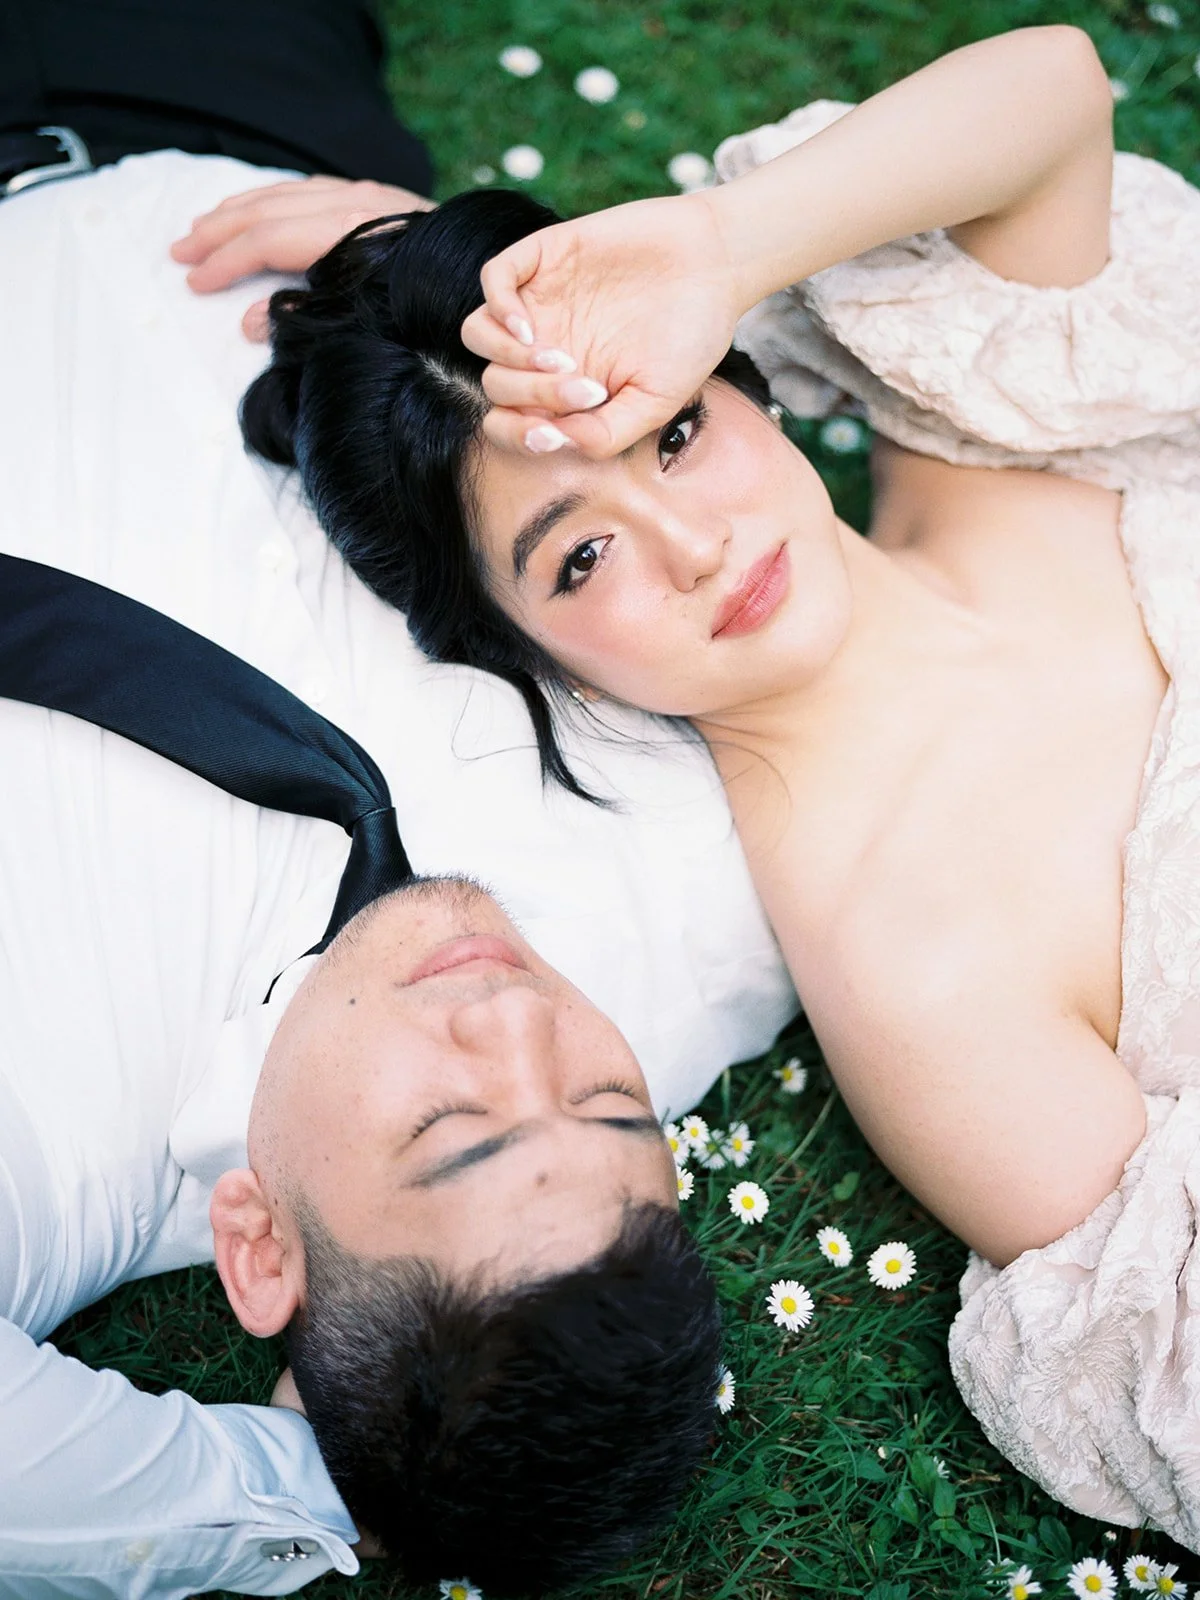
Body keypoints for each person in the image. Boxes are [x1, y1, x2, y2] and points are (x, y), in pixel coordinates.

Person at [229, 24, 1200, 1553]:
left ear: (728, 371)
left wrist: (715, 245)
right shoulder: (923, 979)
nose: (691, 545)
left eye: (673, 432)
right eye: (580, 554)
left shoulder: (993, 423)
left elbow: (1060, 95)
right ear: (524, 649)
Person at [0, 5, 797, 1596]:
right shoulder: (704, 936)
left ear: (260, 1246)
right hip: (213, 105)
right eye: (611, 1107)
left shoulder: (52, 1147)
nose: (516, 1021)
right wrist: (411, 265)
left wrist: (302, 1490)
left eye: (452, 1127)